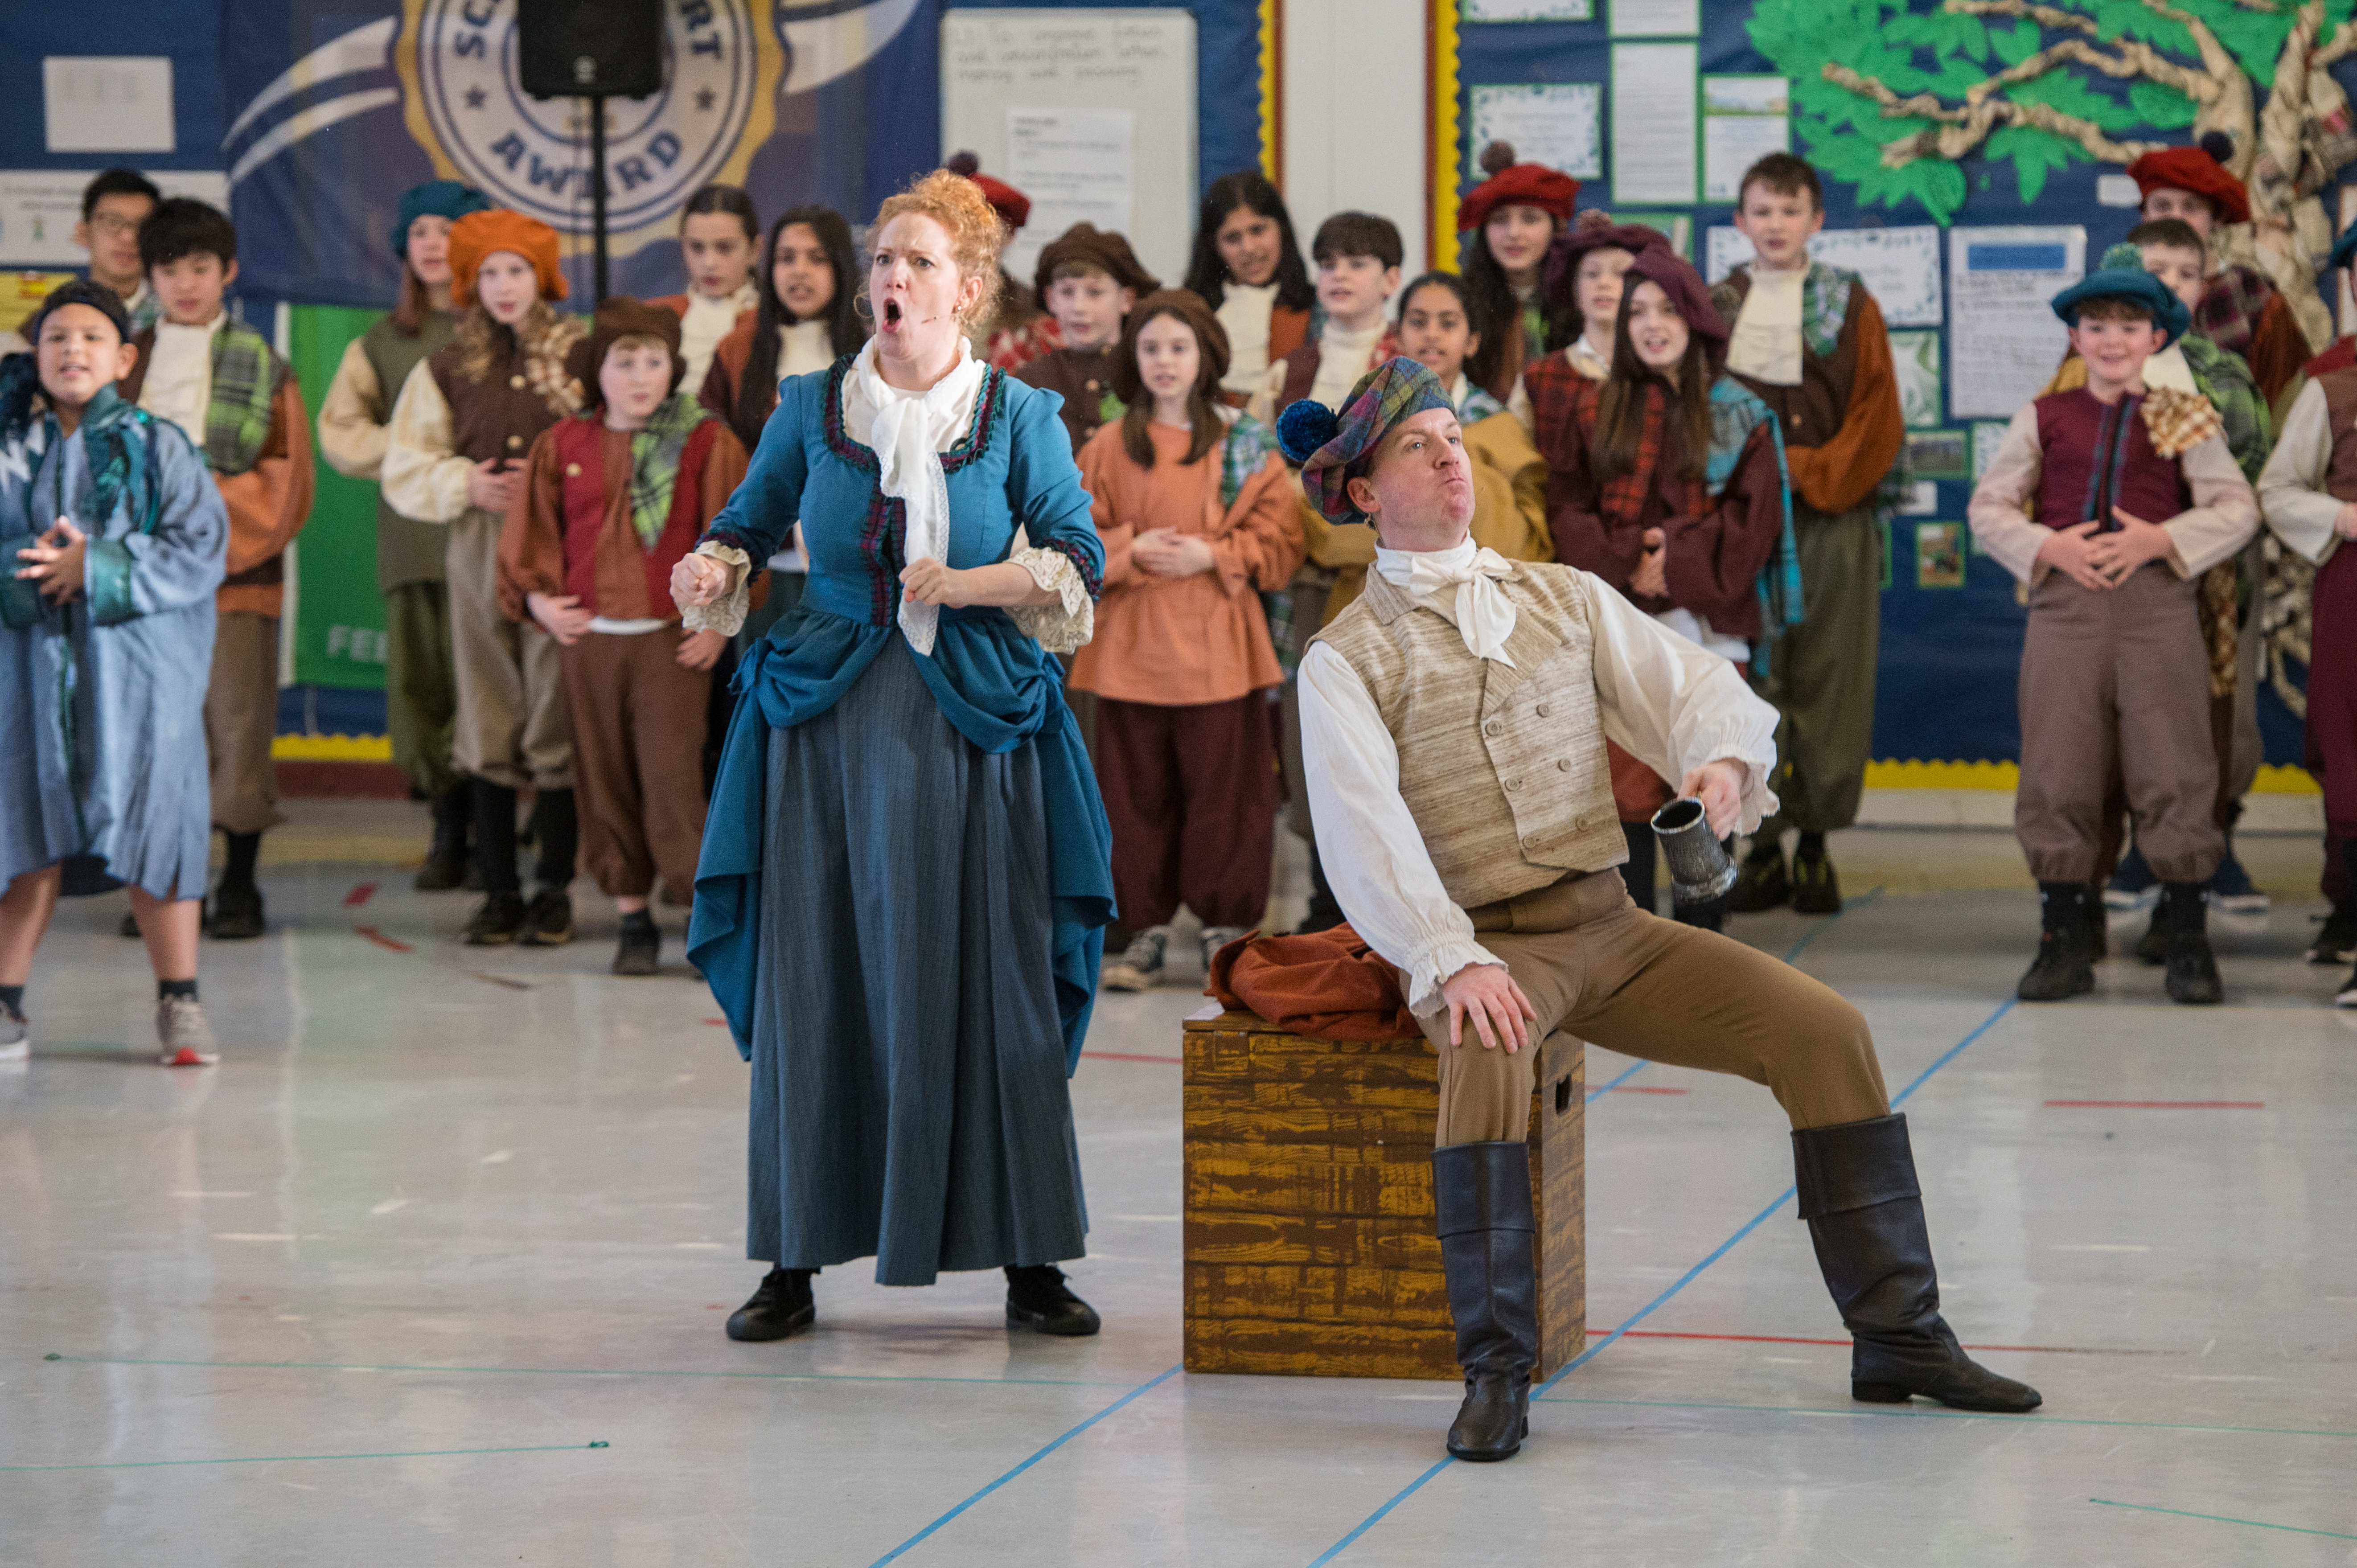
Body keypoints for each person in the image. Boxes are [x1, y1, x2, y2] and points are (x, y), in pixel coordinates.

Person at [1283, 356, 2039, 1464]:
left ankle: (1899, 1336)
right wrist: (1449, 959)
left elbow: (1692, 692)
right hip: (1491, 945)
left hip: (1612, 925)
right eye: (1419, 446)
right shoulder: (1344, 656)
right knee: (1487, 1052)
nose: (1452, 460)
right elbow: (1362, 832)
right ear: (1361, 492)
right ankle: (1496, 1368)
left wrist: (1722, 767)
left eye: (1455, 438)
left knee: (1827, 1031)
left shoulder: (1562, 595)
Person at [669, 167, 1113, 1341]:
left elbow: (1075, 550)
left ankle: (1028, 1254)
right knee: (816, 975)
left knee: (998, 973)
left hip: (977, 726)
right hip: (825, 722)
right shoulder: (810, 405)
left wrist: (975, 582)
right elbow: (748, 524)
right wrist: (716, 569)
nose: (894, 279)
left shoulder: (1020, 417)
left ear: (968, 290)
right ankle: (793, 1257)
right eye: (884, 261)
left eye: (918, 261)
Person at [1967, 265, 2258, 1005]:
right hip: (2065, 612)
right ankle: (2062, 936)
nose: (2111, 340)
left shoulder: (2178, 412)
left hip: (2157, 611)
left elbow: (2233, 507)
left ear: (2155, 337)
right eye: (2095, 327)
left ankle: (2187, 937)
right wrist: (2047, 546)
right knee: (2058, 762)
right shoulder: (2043, 415)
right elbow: (1989, 506)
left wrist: (2159, 539)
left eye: (2129, 327)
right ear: (2074, 336)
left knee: (2174, 764)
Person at [1527, 246, 1798, 931]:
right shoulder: (1594, 409)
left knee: (1707, 784)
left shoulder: (1742, 416)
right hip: (1619, 628)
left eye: (1667, 309)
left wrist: (1673, 558)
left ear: (1696, 316)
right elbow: (1569, 510)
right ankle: (1636, 940)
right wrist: (1633, 558)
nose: (1651, 324)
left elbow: (1751, 523)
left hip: (1707, 630)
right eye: (1636, 311)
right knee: (1629, 792)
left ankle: (1706, 943)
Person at [0, 282, 229, 1065]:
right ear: (34, 354)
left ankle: (181, 1002)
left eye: (92, 337)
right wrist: (28, 573)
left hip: (138, 673)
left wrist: (95, 567)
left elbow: (199, 546)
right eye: (56, 336)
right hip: (23, 671)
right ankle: (6, 1003)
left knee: (154, 815)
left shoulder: (159, 444)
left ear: (124, 357)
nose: (72, 350)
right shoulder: (7, 445)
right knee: (21, 820)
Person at [499, 300, 747, 976]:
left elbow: (733, 537)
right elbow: (529, 535)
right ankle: (632, 918)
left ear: (674, 369)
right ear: (596, 372)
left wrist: (716, 626)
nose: (640, 377)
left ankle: (703, 920)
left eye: (654, 362)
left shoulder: (703, 441)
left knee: (673, 782)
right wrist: (541, 606)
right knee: (603, 781)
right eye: (624, 362)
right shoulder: (564, 445)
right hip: (591, 644)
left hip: (671, 644)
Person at [2049, 229, 2276, 948]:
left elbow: (2239, 485)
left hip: (2197, 594)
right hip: (2086, 593)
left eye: (2185, 273)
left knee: (2192, 739)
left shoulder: (2210, 381)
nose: (2170, 282)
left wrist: (2165, 538)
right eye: (2155, 271)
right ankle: (2086, 892)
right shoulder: (2066, 389)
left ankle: (2185, 884)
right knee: (2084, 744)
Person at [1072, 291, 1301, 990]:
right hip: (1129, 651)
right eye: (1150, 348)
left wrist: (1214, 556)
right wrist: (1133, 547)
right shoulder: (1107, 447)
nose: (1164, 362)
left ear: (1204, 355)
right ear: (1132, 358)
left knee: (1226, 796)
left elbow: (1283, 541)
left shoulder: (1245, 441)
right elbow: (1073, 544)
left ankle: (1223, 928)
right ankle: (1138, 930)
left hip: (1219, 651)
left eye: (1178, 348)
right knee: (1130, 793)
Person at [382, 209, 587, 947]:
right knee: (485, 706)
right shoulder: (444, 364)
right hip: (476, 546)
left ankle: (555, 890)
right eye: (490, 273)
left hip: (562, 548)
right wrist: (465, 482)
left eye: (518, 271)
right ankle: (499, 891)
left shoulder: (577, 354)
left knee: (554, 709)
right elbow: (405, 461)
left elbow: (611, 434)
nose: (505, 287)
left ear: (543, 277)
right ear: (470, 281)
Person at [1711, 154, 1905, 917]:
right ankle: (1760, 842)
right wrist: (1749, 478)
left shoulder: (1849, 304)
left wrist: (1809, 472)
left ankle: (1817, 842)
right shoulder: (1718, 304)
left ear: (1815, 222)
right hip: (1741, 520)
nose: (1775, 225)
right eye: (1761, 211)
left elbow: (1876, 409)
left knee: (1830, 676)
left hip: (1830, 517)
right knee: (1752, 678)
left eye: (1790, 212)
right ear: (1739, 221)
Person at [120, 198, 315, 942]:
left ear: (228, 271)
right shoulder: (123, 360)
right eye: (170, 270)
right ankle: (165, 883)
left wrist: (194, 533)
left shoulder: (266, 365)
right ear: (152, 277)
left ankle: (238, 882)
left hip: (236, 577)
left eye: (200, 267)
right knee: (153, 733)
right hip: (136, 585)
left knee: (236, 727)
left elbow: (285, 480)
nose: (186, 284)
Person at [317, 180, 494, 892]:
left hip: (492, 538)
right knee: (421, 688)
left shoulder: (499, 332)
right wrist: (416, 448)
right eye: (418, 230)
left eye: (447, 229)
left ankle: (495, 830)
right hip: (415, 539)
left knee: (487, 686)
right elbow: (340, 435)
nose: (431, 242)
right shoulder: (384, 342)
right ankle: (447, 826)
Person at [2256, 258, 2357, 1005]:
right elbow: (2278, 488)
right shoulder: (2329, 387)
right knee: (2347, 746)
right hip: (2352, 585)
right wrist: (2342, 517)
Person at [701, 204, 866, 645]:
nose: (799, 272)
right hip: (762, 569)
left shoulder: (874, 352)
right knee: (765, 697)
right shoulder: (737, 351)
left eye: (816, 258)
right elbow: (714, 459)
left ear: (840, 265)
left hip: (851, 568)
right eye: (786, 258)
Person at [2127, 137, 2311, 407]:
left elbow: (2287, 403)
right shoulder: (2117, 293)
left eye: (2191, 207)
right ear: (2146, 216)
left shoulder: (2255, 297)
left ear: (2216, 219)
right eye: (2163, 206)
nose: (2177, 218)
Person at [1014, 223, 1159, 453]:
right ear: (1051, 299)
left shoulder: (1149, 374)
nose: (1078, 307)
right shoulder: (1030, 382)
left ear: (1127, 300)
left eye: (1095, 293)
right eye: (1067, 292)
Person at [1456, 142, 1578, 402]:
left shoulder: (1579, 301)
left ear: (1554, 229)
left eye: (1531, 219)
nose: (1514, 233)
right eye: (1500, 220)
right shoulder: (1463, 303)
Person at [1183, 171, 1317, 402]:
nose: (1249, 248)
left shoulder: (1316, 308)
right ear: (1214, 246)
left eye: (1258, 230)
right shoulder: (1193, 311)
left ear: (1281, 230)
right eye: (1233, 238)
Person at [1259, 212, 1404, 424]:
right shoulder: (1286, 373)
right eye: (1328, 266)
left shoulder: (1409, 363)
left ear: (1390, 281)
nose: (1339, 275)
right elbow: (1257, 449)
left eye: (1357, 264)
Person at [944, 152, 1058, 371]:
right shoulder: (915, 297)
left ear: (1009, 236)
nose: (970, 240)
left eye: (984, 231)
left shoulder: (1033, 314)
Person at [650, 185, 761, 394]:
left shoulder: (774, 319)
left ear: (755, 250)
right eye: (697, 247)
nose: (709, 263)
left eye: (725, 247)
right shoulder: (654, 316)